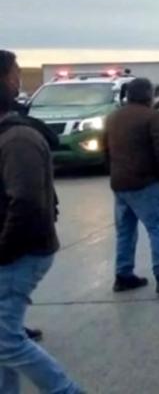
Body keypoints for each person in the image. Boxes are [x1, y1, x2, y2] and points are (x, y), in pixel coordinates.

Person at [0, 50, 83, 393]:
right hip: (14, 250)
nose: (17, 78)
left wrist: (2, 250)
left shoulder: (18, 138)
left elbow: (29, 205)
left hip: (19, 254)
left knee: (5, 342)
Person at [104, 78, 159, 297]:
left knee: (125, 231)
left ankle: (123, 274)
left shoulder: (113, 117)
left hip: (120, 183)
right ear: (148, 94)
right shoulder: (153, 116)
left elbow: (105, 149)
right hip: (146, 183)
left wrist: (114, 173)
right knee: (156, 228)